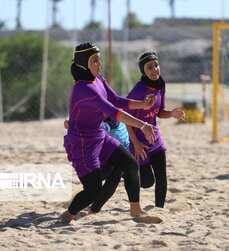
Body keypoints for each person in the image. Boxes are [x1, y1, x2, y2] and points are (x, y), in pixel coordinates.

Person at [60, 43, 158, 224]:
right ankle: (68, 215)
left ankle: (136, 211)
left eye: (99, 60)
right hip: (81, 143)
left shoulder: (98, 80)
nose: (100, 64)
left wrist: (142, 104)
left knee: (130, 165)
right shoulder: (84, 88)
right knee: (93, 191)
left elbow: (116, 100)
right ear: (83, 64)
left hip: (99, 136)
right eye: (95, 60)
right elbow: (114, 111)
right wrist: (142, 124)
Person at [125, 51, 186, 208]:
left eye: (156, 65)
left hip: (155, 139)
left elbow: (160, 112)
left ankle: (160, 208)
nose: (154, 70)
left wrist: (171, 113)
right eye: (150, 67)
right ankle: (128, 174)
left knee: (162, 177)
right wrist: (136, 143)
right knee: (147, 182)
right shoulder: (138, 90)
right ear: (143, 71)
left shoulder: (161, 85)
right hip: (139, 142)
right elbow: (125, 119)